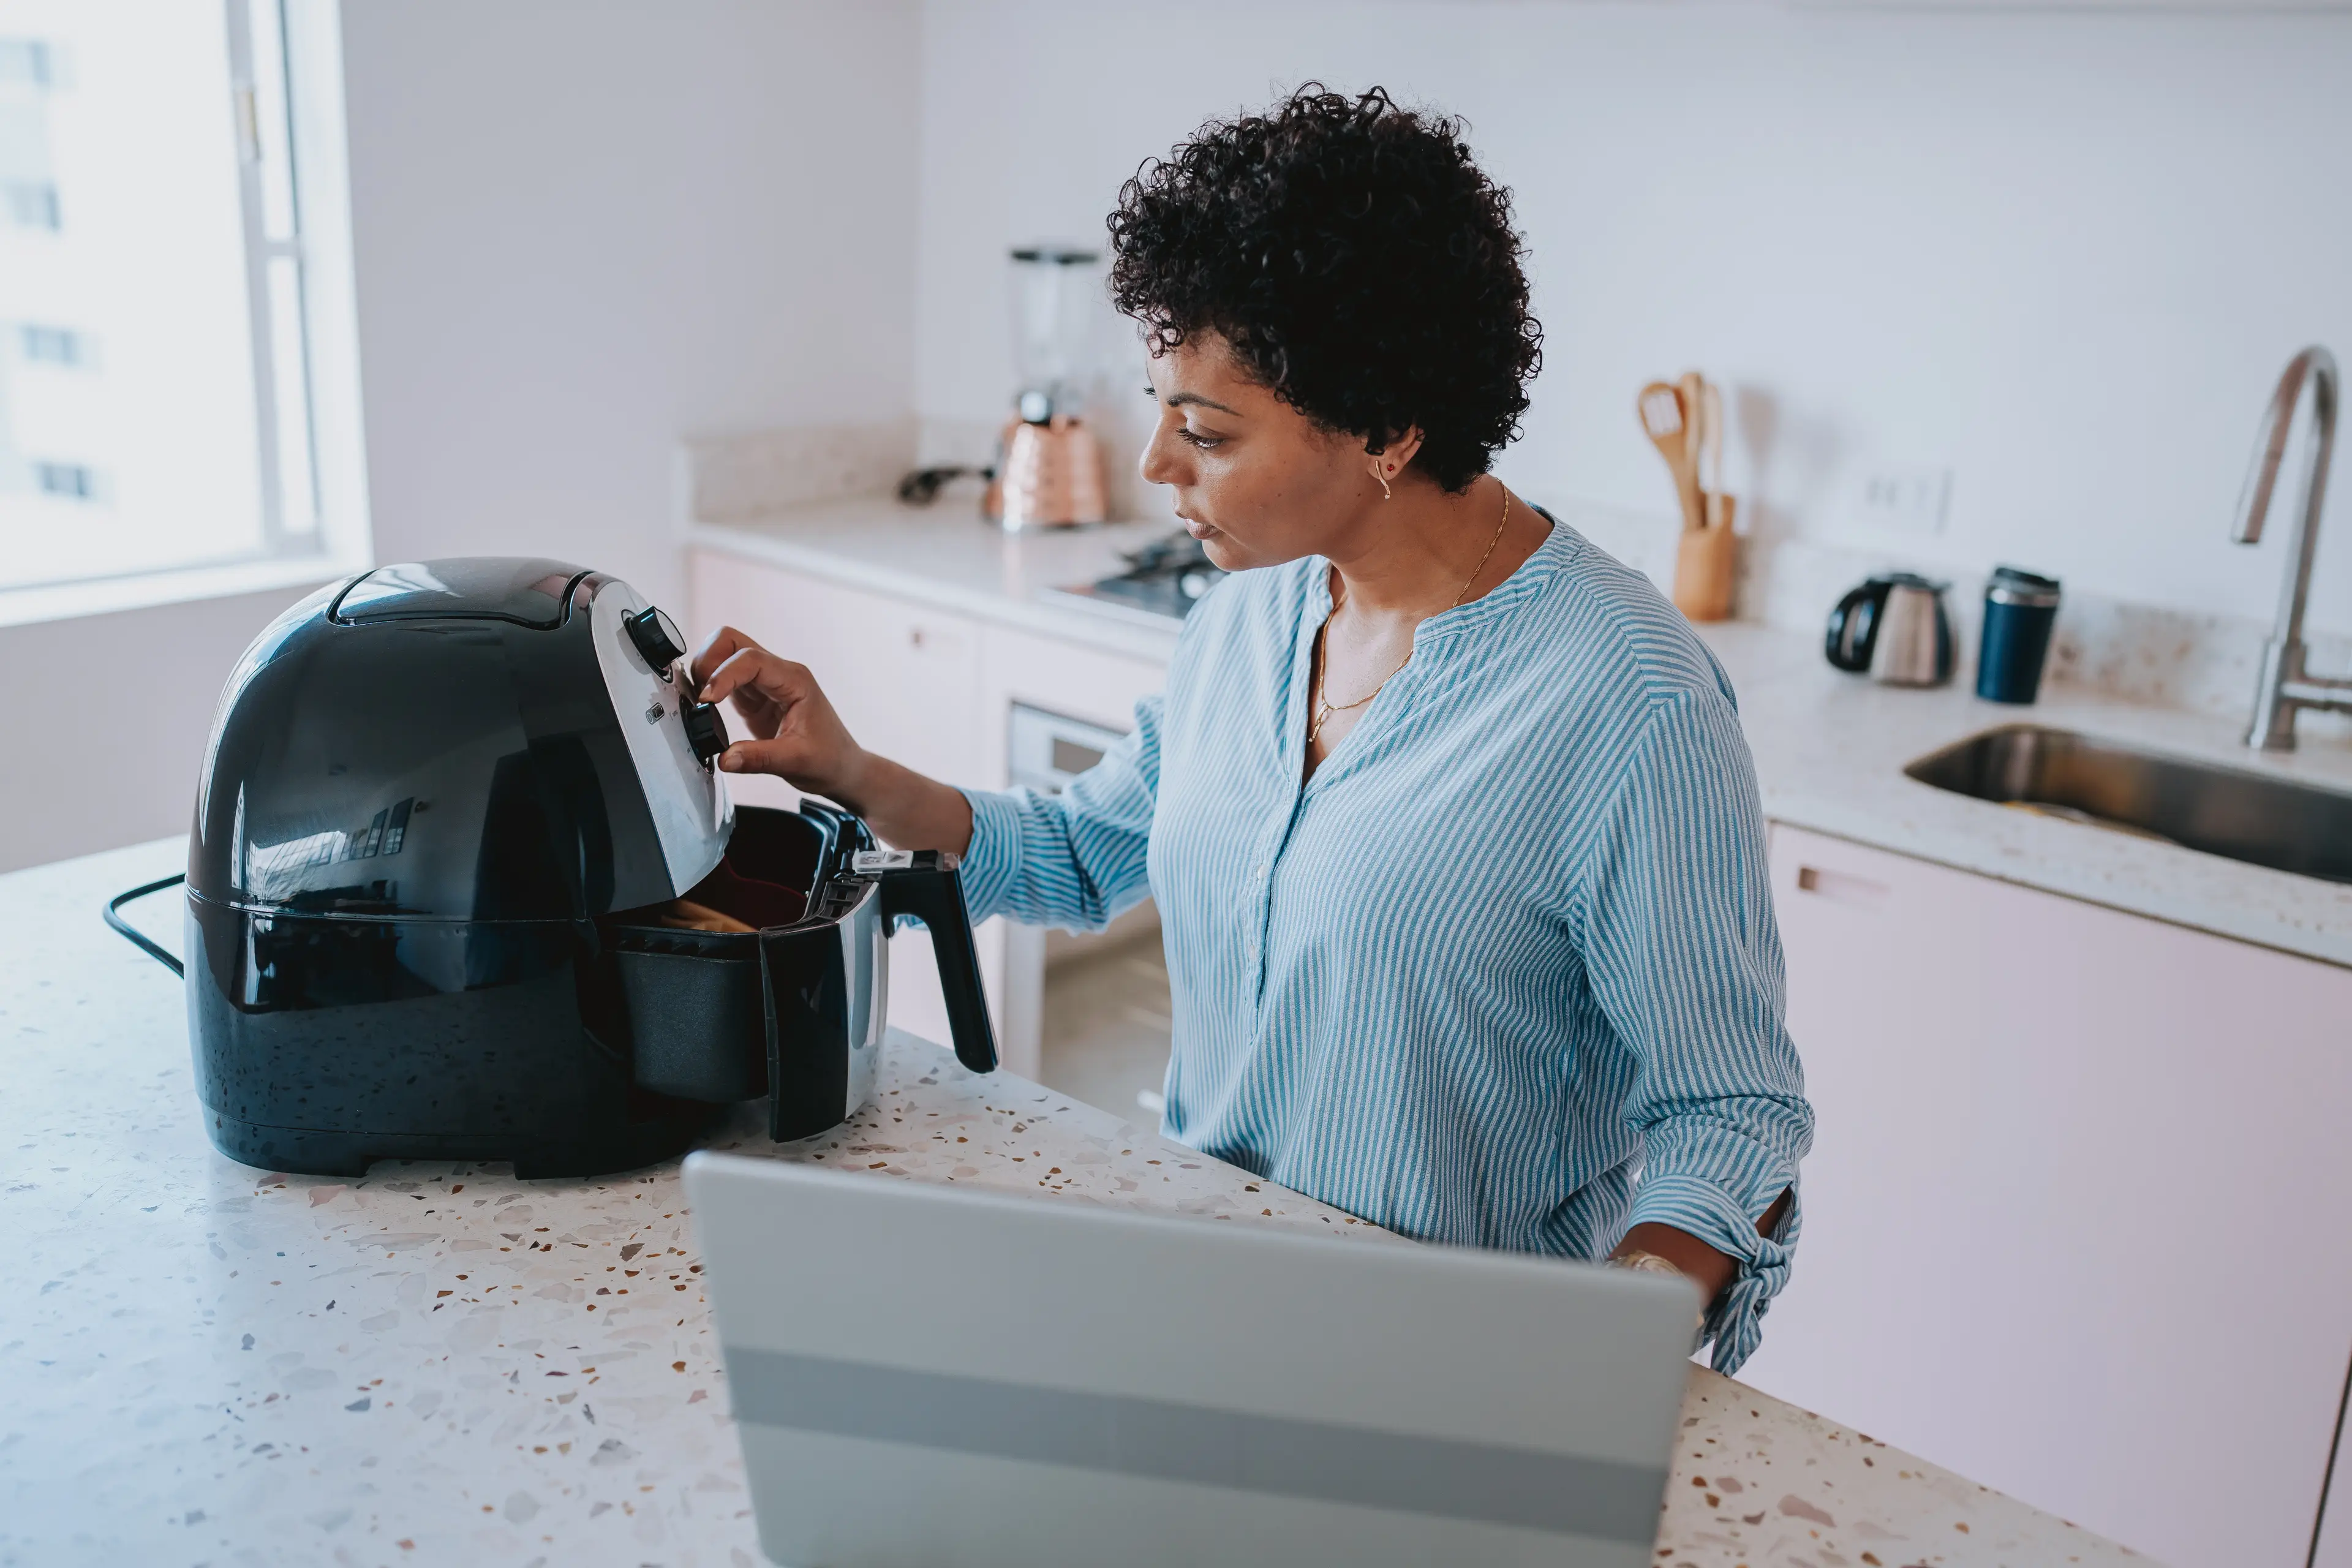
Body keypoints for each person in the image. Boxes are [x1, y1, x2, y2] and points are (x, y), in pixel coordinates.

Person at [693, 85, 1811, 1372]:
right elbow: (1078, 848)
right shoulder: (1252, 615)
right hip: (1202, 1303)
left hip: (1451, 1366)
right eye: (1161, 408)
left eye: (1208, 430)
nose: (1159, 462)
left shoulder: (1631, 701)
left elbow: (1732, 1115)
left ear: (1390, 427)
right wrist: (851, 768)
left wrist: (1589, 1368)